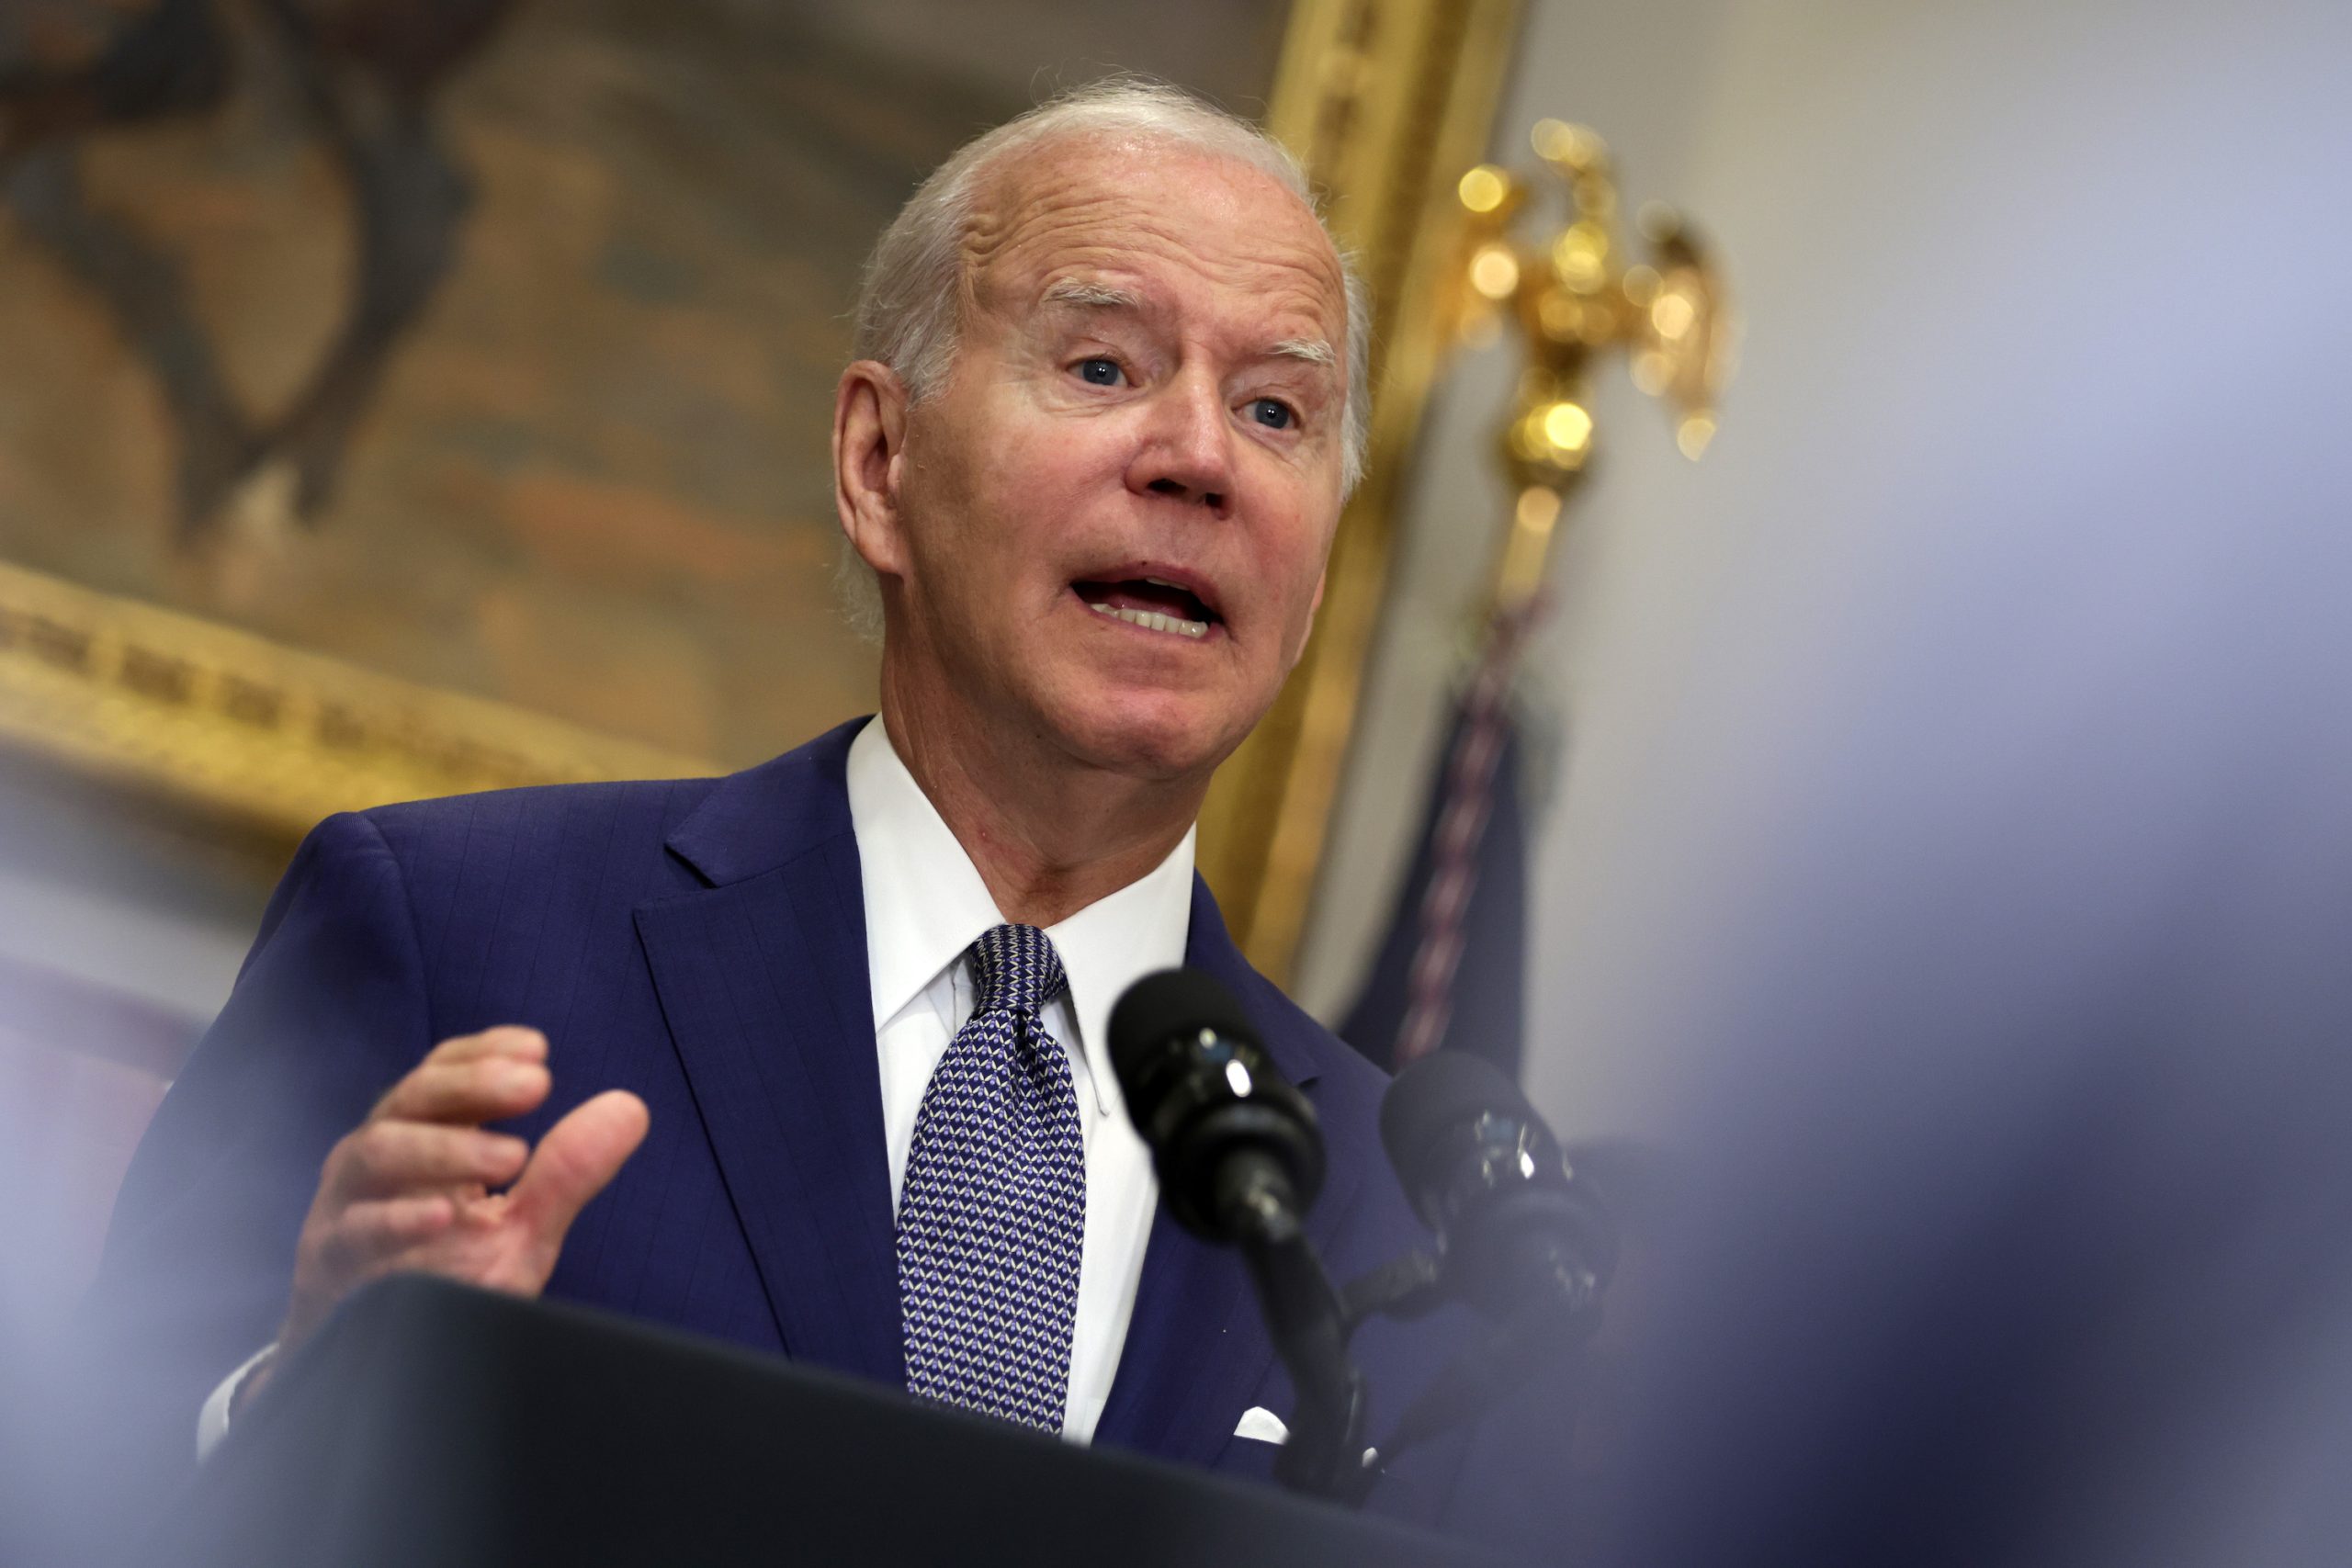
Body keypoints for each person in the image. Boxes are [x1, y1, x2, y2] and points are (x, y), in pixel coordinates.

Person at [79, 81, 1566, 1554]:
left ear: (1313, 585)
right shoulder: (448, 935)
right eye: (1105, 367)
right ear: (879, 463)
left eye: (1275, 409)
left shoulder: (1407, 1231)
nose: (1199, 456)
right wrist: (308, 1384)